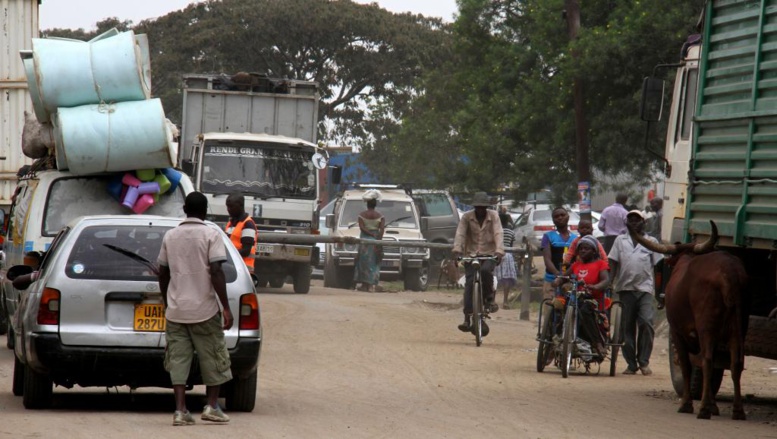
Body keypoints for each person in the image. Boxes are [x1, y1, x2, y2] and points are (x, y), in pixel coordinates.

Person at [157, 192, 234, 426]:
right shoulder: (211, 234)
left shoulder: (171, 236)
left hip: (177, 310)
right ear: (206, 210)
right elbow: (217, 271)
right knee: (213, 355)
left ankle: (180, 410)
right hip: (205, 310)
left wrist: (166, 300)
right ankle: (211, 406)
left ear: (184, 209)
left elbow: (163, 272)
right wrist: (226, 307)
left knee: (178, 359)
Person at [608, 209, 664, 376]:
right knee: (627, 328)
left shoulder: (651, 241)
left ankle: (644, 362)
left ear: (643, 222)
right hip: (625, 289)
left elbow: (659, 268)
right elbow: (613, 263)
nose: (633, 222)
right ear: (626, 223)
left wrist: (661, 292)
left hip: (645, 289)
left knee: (646, 323)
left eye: (637, 219)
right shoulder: (620, 240)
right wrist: (609, 283)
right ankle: (631, 364)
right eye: (630, 219)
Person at [452, 192, 504, 334]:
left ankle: (489, 298)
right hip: (471, 254)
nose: (480, 210)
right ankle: (467, 317)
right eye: (478, 207)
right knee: (469, 283)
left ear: (487, 207)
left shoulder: (493, 216)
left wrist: (499, 251)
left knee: (485, 271)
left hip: (489, 254)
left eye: (483, 207)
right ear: (474, 207)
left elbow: (498, 233)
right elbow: (460, 234)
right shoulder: (466, 217)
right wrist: (457, 250)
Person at [555, 235, 611, 357]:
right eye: (581, 249)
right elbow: (565, 277)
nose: (583, 251)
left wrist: (596, 286)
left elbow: (606, 280)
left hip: (592, 300)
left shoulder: (601, 264)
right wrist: (558, 281)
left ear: (594, 251)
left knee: (585, 309)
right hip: (575, 297)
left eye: (586, 248)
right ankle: (558, 340)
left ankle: (597, 342)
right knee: (559, 307)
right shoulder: (576, 265)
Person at [354, 189, 385, 292]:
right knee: (374, 263)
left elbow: (362, 228)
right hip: (376, 240)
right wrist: (378, 241)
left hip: (364, 241)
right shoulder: (380, 216)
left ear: (367, 204)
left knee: (364, 262)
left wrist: (370, 234)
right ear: (375, 204)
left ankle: (364, 284)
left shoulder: (361, 215)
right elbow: (382, 230)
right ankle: (371, 286)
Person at [225, 193, 258, 273]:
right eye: (227, 206)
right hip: (233, 268)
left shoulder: (248, 224)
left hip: (243, 270)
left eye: (231, 206)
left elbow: (246, 251)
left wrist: (226, 254)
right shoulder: (231, 223)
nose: (228, 209)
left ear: (240, 205)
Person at [495, 212, 517, 309]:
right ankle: (505, 301)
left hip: (496, 255)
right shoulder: (511, 232)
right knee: (507, 279)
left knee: (494, 278)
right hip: (508, 254)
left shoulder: (495, 231)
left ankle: (492, 300)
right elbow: (511, 245)